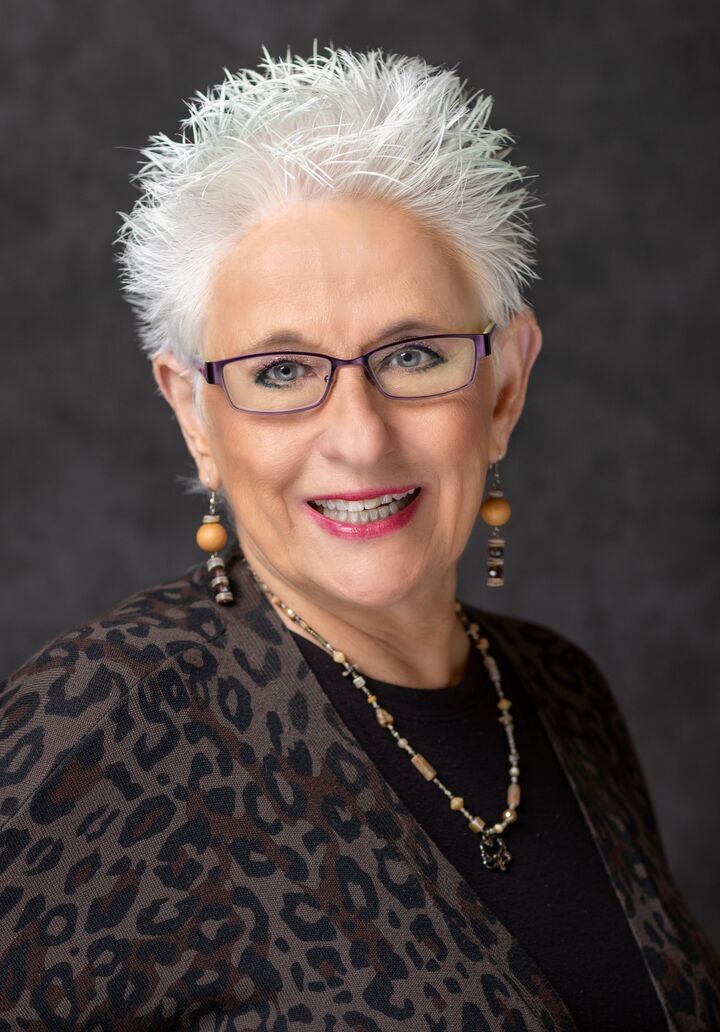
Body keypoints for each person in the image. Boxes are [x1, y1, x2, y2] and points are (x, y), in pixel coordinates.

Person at [0, 44, 718, 1031]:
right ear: (195, 417)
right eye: (281, 371)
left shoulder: (564, 694)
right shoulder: (109, 724)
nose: (360, 437)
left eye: (413, 355)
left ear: (505, 386)